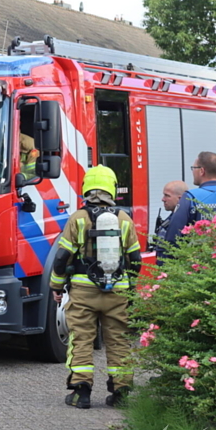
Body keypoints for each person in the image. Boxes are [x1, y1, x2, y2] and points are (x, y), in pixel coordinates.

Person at [49, 165, 142, 409]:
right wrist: (129, 287)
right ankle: (121, 394)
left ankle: (81, 394)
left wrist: (56, 286)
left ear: (86, 188)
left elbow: (61, 258)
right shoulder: (124, 219)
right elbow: (136, 260)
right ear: (112, 188)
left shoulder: (78, 218)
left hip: (83, 293)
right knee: (119, 341)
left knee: (81, 340)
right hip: (117, 293)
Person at [164, 152, 216, 247]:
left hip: (198, 259)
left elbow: (173, 237)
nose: (192, 171)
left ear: (202, 171)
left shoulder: (190, 198)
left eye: (194, 168)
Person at [150, 180, 187, 255]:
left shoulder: (182, 221)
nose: (163, 199)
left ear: (180, 199)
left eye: (167, 196)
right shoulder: (172, 217)